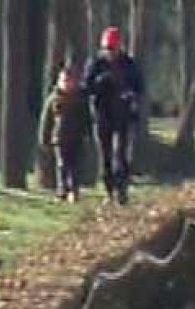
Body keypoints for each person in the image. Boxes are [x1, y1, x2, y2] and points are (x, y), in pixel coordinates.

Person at [82, 26, 145, 205]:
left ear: (120, 47)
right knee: (106, 155)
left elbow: (140, 87)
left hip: (123, 116)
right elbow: (86, 87)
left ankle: (122, 189)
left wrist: (131, 95)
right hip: (102, 116)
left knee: (121, 154)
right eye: (107, 48)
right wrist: (101, 81)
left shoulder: (129, 64)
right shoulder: (95, 63)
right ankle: (108, 191)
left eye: (113, 48)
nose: (110, 52)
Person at [39, 66, 91, 202]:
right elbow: (46, 120)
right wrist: (44, 138)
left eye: (69, 81)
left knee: (75, 165)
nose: (67, 84)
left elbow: (87, 119)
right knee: (62, 165)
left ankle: (74, 190)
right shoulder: (53, 99)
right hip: (59, 138)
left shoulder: (80, 99)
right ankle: (62, 190)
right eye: (64, 81)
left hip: (77, 138)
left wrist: (88, 135)